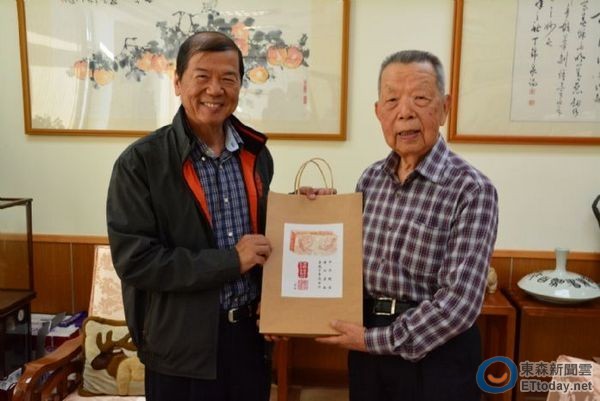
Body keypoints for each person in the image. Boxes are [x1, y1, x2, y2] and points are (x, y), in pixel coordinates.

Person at [106, 31, 327, 401]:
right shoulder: (141, 163)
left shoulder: (257, 155)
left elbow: (260, 237)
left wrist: (303, 210)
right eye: (202, 76)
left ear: (240, 85)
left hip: (249, 343)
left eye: (228, 78)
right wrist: (230, 261)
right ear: (178, 82)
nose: (215, 89)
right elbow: (136, 261)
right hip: (179, 352)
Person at [317, 50, 499, 401]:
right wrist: (316, 213)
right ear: (378, 112)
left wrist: (373, 340)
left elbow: (459, 304)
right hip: (367, 349)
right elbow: (347, 265)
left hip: (437, 357)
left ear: (445, 107)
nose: (405, 112)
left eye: (420, 98)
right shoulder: (370, 179)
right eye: (392, 100)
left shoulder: (472, 189)